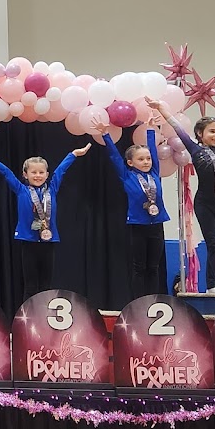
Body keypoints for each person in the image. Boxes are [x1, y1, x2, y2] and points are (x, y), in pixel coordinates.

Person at [149, 97, 215, 294]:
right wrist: (161, 108)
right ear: (200, 134)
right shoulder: (195, 149)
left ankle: (211, 286)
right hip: (204, 203)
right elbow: (176, 126)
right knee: (213, 244)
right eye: (212, 131)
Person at [0, 143, 92, 301]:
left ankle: (45, 318)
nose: (37, 175)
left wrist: (73, 154)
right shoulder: (21, 189)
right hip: (28, 241)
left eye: (41, 172)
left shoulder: (52, 189)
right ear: (25, 175)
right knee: (30, 285)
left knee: (46, 285)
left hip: (49, 241)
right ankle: (28, 321)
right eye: (33, 172)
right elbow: (6, 173)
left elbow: (61, 170)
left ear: (47, 175)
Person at [91, 114, 170, 298]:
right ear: (130, 163)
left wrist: (150, 130)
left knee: (154, 266)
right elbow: (113, 156)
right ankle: (139, 301)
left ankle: (153, 299)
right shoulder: (127, 175)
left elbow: (153, 151)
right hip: (137, 226)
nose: (146, 162)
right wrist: (106, 136)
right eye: (141, 159)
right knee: (139, 267)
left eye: (148, 159)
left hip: (157, 224)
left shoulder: (155, 172)